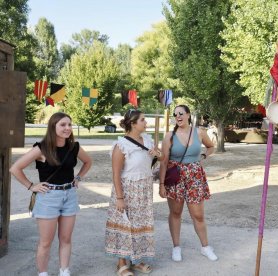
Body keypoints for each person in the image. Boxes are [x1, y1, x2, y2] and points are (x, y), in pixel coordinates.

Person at [10, 112, 92, 276]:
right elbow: (15, 168)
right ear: (53, 126)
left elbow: (88, 162)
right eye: (63, 125)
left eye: (69, 124)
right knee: (46, 242)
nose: (67, 128)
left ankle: (64, 271)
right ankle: (43, 273)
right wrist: (31, 186)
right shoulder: (41, 148)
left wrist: (78, 177)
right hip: (48, 197)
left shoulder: (74, 146)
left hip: (70, 195)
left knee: (66, 239)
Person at [105, 109, 164, 276]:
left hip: (144, 190)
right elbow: (116, 174)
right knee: (125, 225)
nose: (146, 123)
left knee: (140, 225)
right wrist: (120, 198)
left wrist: (158, 154)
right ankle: (121, 263)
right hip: (127, 190)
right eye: (143, 120)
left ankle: (136, 260)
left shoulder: (147, 140)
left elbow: (162, 158)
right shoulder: (121, 145)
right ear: (133, 123)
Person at [159, 105, 217, 262]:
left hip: (195, 176)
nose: (178, 116)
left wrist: (204, 154)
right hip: (175, 177)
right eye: (175, 114)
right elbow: (164, 162)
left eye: (181, 113)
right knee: (176, 213)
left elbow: (211, 147)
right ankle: (176, 247)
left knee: (198, 215)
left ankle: (205, 247)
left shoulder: (199, 132)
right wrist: (162, 184)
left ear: (188, 115)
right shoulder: (169, 136)